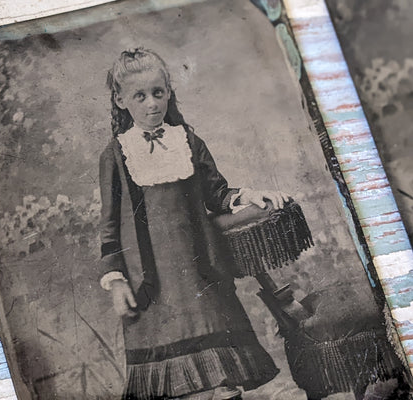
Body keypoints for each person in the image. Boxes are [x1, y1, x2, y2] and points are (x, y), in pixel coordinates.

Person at [99, 48, 289, 399]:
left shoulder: (186, 140)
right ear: (120, 99)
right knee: (179, 388)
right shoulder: (115, 155)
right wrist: (115, 281)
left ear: (169, 91)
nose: (151, 103)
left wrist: (248, 195)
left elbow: (216, 193)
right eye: (139, 96)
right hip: (152, 287)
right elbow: (109, 225)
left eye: (158, 92)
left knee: (225, 380)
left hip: (201, 277)